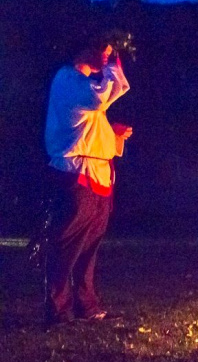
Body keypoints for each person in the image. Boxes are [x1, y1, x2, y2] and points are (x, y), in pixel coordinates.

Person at [43, 40, 132, 327]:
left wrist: (112, 135)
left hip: (96, 170)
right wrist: (109, 67)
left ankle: (86, 305)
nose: (107, 57)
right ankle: (58, 309)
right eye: (103, 51)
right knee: (67, 242)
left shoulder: (83, 85)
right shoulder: (68, 78)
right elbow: (98, 98)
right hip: (76, 170)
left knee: (90, 244)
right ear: (85, 50)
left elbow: (97, 111)